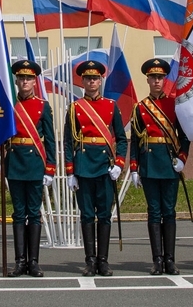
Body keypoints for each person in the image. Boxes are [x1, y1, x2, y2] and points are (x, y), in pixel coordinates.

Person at [64, 59, 127, 277]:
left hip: (104, 167)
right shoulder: (74, 108)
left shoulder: (111, 106)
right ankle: (90, 261)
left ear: (100, 81)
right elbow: (67, 142)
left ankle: (103, 261)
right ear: (82, 82)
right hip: (83, 167)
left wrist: (119, 163)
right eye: (88, 78)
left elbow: (122, 138)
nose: (92, 82)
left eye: (96, 78)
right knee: (87, 215)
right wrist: (70, 171)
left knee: (105, 216)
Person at [129, 57, 188, 275]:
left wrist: (182, 157)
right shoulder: (140, 107)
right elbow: (135, 140)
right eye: (153, 77)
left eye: (160, 77)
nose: (156, 81)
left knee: (169, 212)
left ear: (165, 80)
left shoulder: (175, 105)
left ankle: (170, 260)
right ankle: (157, 260)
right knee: (154, 212)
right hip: (150, 164)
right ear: (147, 80)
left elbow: (184, 136)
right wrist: (134, 167)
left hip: (170, 163)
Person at [6, 59, 55, 278]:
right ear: (16, 81)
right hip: (15, 164)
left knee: (33, 213)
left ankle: (33, 262)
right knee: (18, 214)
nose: (25, 81)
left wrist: (50, 168)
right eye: (21, 78)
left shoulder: (43, 106)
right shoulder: (8, 104)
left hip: (35, 163)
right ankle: (19, 262)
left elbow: (51, 140)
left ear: (34, 81)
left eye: (28, 78)